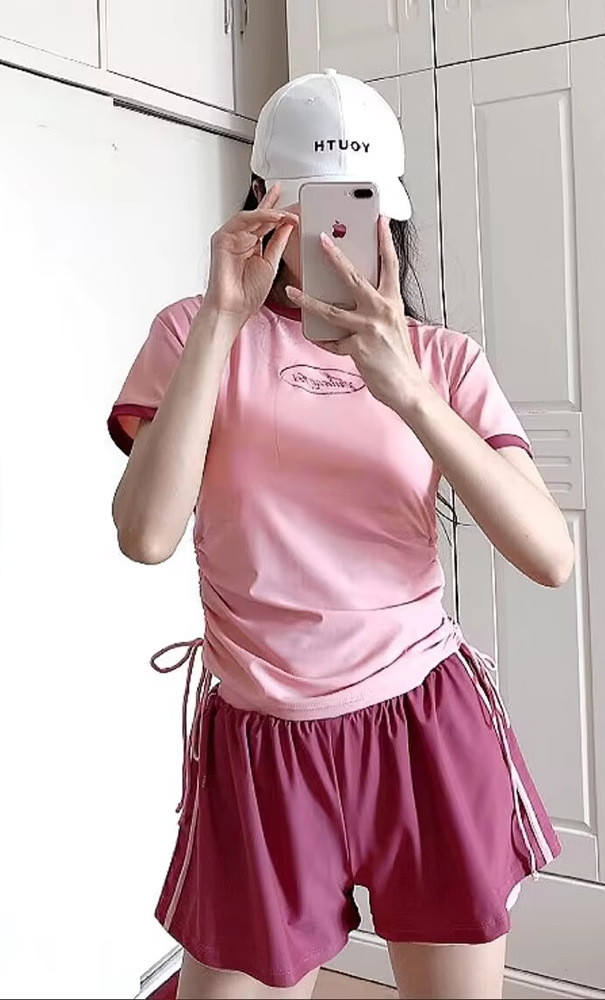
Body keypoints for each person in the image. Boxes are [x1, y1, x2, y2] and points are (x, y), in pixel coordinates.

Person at [108, 70, 573, 1000]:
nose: (329, 237)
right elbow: (147, 535)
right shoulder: (192, 333)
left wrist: (406, 390)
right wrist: (223, 316)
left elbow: (549, 557)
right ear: (263, 202)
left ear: (387, 215)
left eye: (352, 210)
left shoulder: (442, 360)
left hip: (421, 725)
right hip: (264, 742)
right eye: (306, 207)